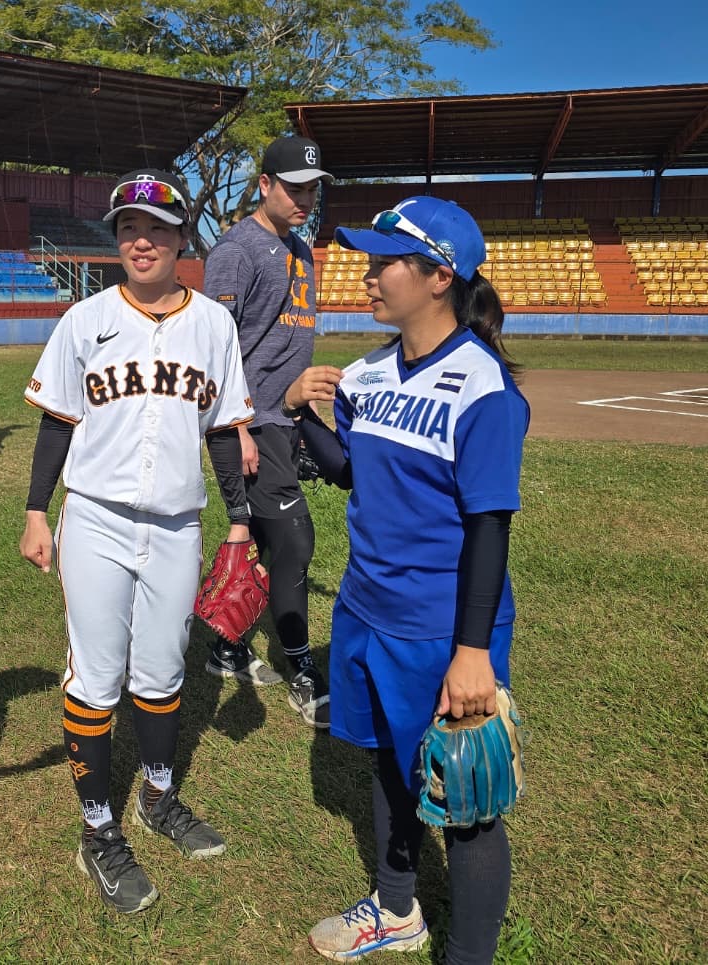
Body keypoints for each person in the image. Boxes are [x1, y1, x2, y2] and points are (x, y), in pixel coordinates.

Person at [287, 197, 529, 962]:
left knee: (465, 796)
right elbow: (351, 471)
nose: (367, 274)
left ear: (437, 276)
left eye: (385, 260)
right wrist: (301, 417)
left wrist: (472, 653)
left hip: (441, 628)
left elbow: (491, 527)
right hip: (365, 608)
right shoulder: (368, 371)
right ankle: (397, 911)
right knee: (390, 764)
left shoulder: (483, 387)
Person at [19, 169, 256, 914]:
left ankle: (157, 798)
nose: (141, 240)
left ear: (182, 239)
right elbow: (58, 419)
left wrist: (241, 518)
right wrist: (35, 511)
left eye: (155, 228)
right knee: (95, 676)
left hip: (178, 523)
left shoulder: (214, 324)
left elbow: (222, 431)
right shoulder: (84, 319)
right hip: (94, 517)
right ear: (116, 240)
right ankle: (98, 829)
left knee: (159, 671)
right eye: (127, 228)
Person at [200, 134, 334, 727]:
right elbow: (213, 348)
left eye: (313, 189)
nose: (306, 198)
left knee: (261, 541)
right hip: (252, 420)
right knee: (294, 544)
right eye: (295, 187)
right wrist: (238, 425)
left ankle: (226, 648)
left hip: (287, 417)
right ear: (265, 185)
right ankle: (302, 668)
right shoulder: (237, 251)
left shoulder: (301, 250)